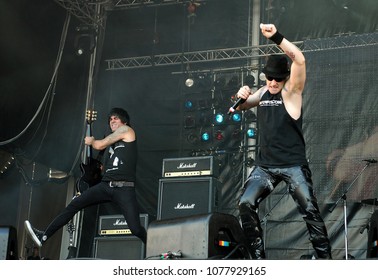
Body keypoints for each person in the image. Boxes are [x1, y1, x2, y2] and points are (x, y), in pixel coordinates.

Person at [234, 23, 332, 259]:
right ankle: (259, 262)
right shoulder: (263, 92)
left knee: (310, 211)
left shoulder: (292, 92)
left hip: (293, 165)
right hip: (266, 166)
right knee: (245, 204)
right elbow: (243, 105)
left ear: (286, 78)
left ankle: (327, 263)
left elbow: (299, 59)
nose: (273, 83)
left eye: (277, 79)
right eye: (269, 78)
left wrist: (275, 36)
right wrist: (241, 94)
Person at [25, 108, 147, 251]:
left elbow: (99, 144)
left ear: (124, 121)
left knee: (135, 229)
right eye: (110, 119)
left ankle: (158, 244)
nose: (112, 121)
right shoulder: (114, 144)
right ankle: (43, 237)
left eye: (116, 118)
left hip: (124, 188)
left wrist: (92, 141)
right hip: (106, 186)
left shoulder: (127, 130)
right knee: (74, 205)